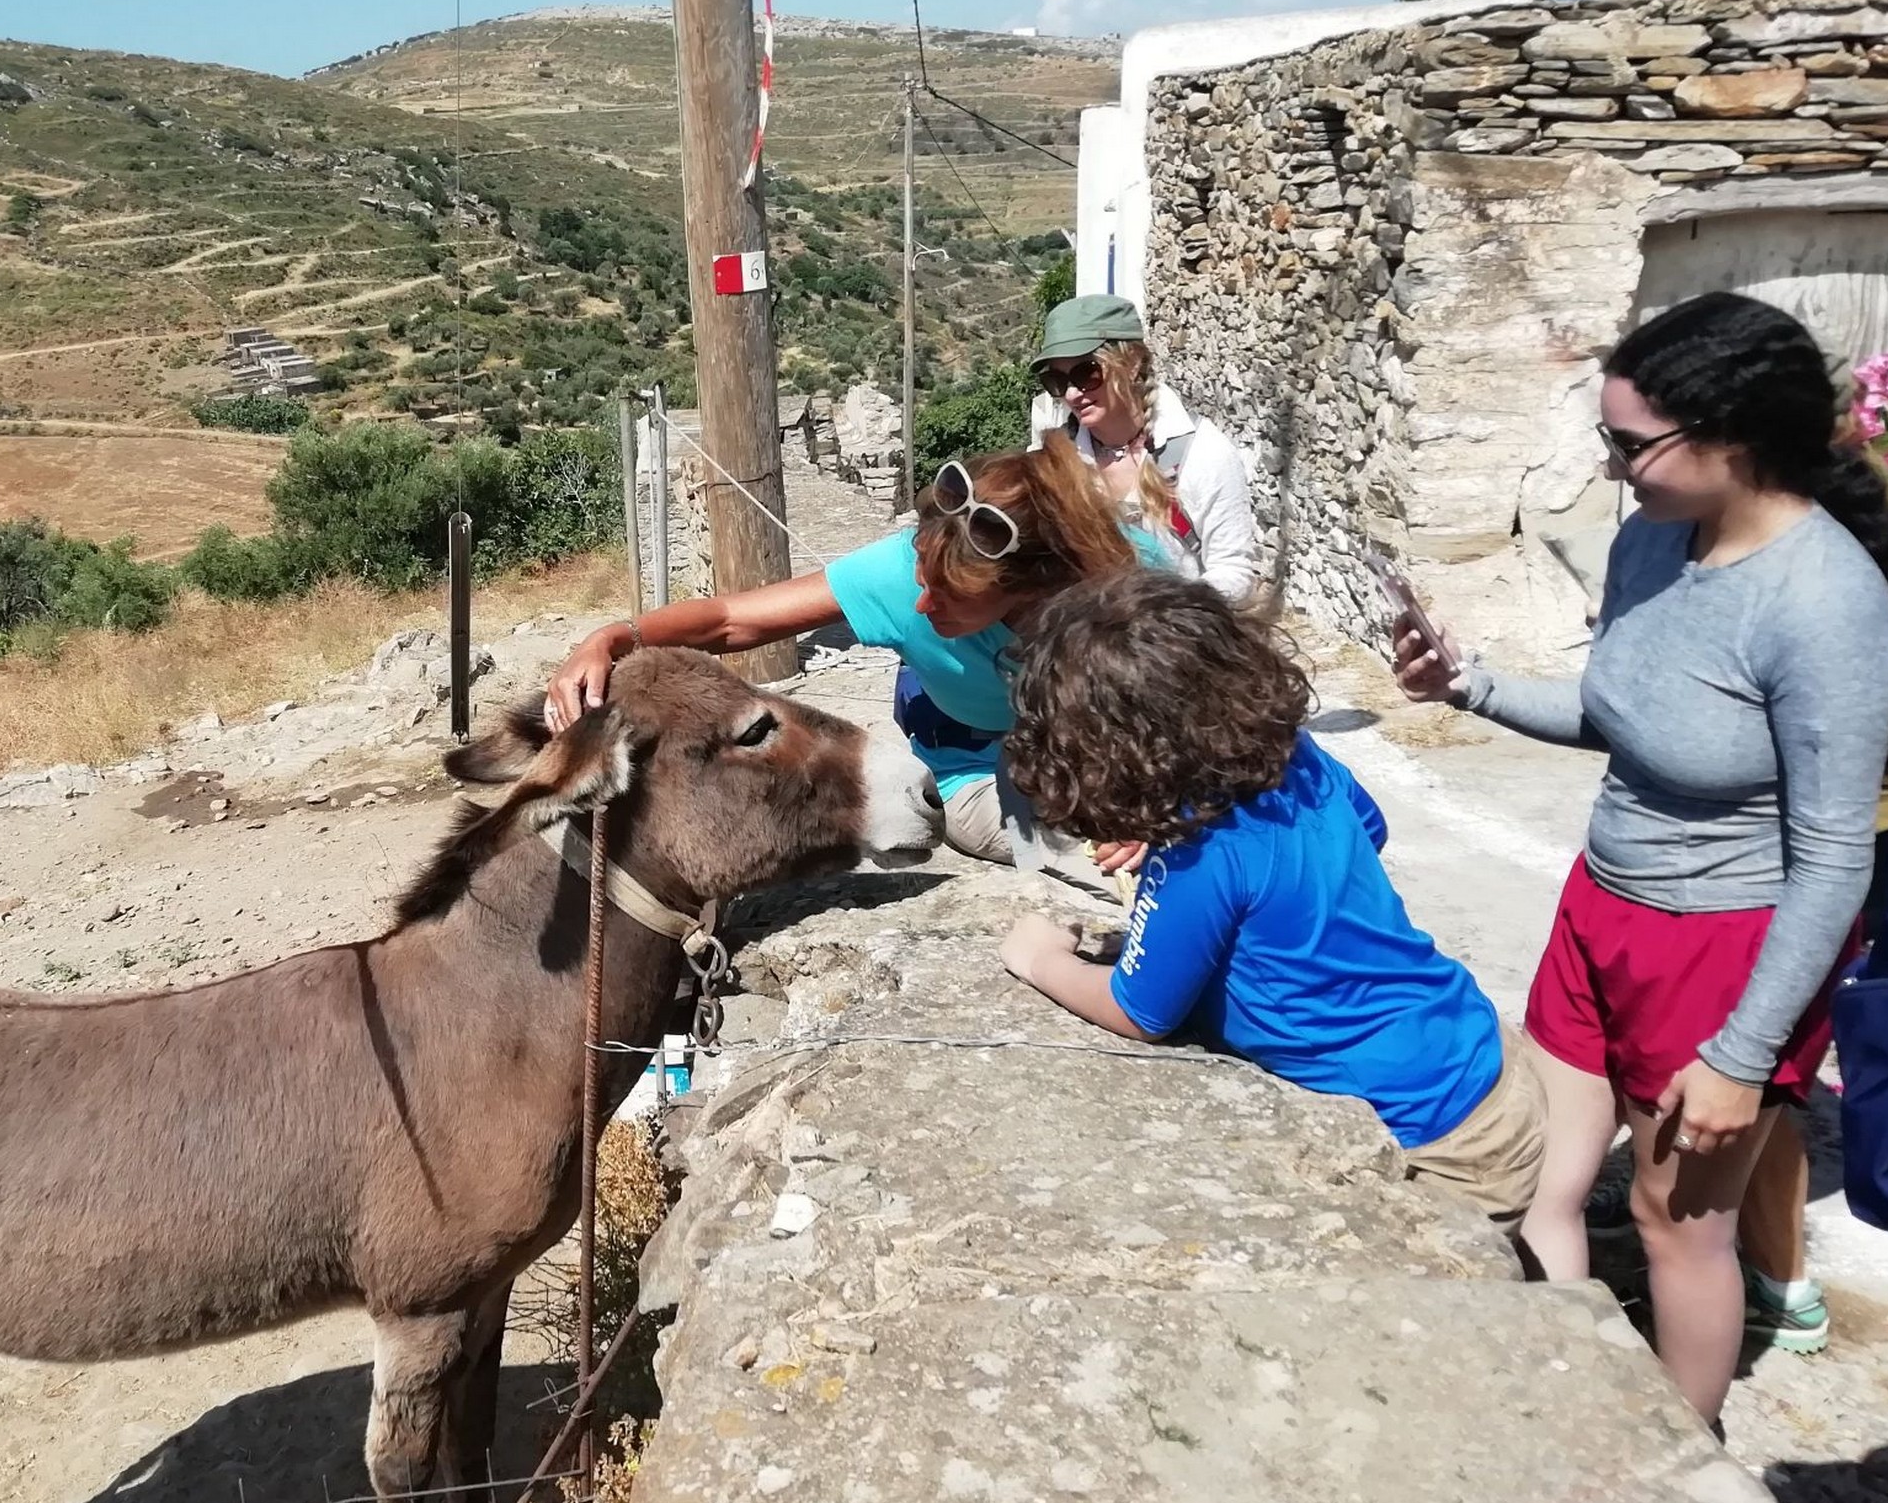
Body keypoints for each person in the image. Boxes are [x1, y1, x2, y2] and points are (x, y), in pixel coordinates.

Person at [1392, 291, 1888, 1430]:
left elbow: (1833, 859)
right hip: (1603, 909)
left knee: (1673, 1227)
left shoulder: (1825, 603)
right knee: (1547, 1186)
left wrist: (1741, 1059)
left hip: (1721, 952)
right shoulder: (1651, 541)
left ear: (1728, 439)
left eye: (1630, 446)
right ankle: (1572, 1393)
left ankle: (1681, 1453)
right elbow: (1620, 714)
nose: (1612, 468)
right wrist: (1466, 687)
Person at [997, 568, 1544, 1229]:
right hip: (1489, 1061)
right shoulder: (1292, 755)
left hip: (1431, 1140)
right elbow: (1369, 827)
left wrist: (1040, 959)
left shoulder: (1201, 855)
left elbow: (1140, 1011)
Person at [547, 439, 1167, 869]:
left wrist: (1141, 806)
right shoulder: (904, 571)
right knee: (1087, 853)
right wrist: (612, 638)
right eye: (922, 577)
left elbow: (1193, 723)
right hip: (974, 768)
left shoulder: (1135, 590)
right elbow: (732, 620)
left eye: (949, 594)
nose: (921, 605)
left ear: (1035, 585)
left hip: (1108, 759)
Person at [1737, 451, 1888, 1354]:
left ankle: (1782, 1283)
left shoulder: (1826, 540)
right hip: (1878, 813)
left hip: (1863, 819)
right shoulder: (1875, 512)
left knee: (1773, 1045)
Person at [1027, 294, 1262, 602]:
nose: (1071, 394)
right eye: (1057, 380)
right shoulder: (1057, 459)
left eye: (1086, 374)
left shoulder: (1202, 453)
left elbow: (1233, 571)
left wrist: (1164, 617)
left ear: (1132, 362)